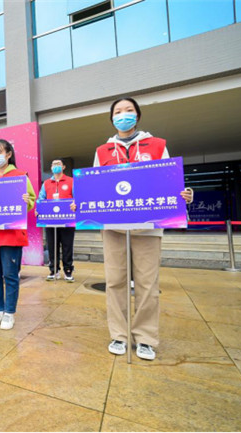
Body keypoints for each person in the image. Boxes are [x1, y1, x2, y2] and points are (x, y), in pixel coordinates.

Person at [95, 97, 193, 361]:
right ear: (112, 118)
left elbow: (170, 182)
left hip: (149, 227)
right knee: (115, 281)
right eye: (118, 111)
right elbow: (96, 185)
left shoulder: (157, 145)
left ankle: (146, 338)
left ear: (137, 116)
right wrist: (81, 203)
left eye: (128, 110)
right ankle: (119, 335)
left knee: (147, 284)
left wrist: (183, 195)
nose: (123, 115)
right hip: (114, 227)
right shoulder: (103, 150)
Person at [0, 139, 36, 331]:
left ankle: (9, 313)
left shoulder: (20, 176)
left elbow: (31, 201)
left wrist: (26, 201)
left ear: (9, 154)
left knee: (10, 275)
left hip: (11, 235)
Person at [38, 159, 77, 282]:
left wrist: (75, 204)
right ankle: (54, 270)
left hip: (67, 220)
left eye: (58, 164)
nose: (56, 166)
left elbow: (78, 197)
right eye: (53, 164)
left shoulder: (71, 181)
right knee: (52, 246)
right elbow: (41, 198)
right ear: (51, 167)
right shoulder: (46, 183)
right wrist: (39, 209)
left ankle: (68, 271)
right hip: (50, 220)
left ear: (63, 167)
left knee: (67, 246)